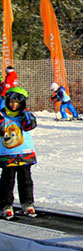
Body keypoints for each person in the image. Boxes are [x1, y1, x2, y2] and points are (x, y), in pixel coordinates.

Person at [0, 87, 37, 219]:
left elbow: (30, 126)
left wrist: (26, 116)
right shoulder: (2, 115)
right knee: (7, 181)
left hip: (24, 152)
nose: (14, 105)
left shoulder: (25, 115)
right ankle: (6, 205)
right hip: (8, 154)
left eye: (17, 102)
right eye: (11, 102)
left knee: (25, 180)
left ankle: (27, 204)